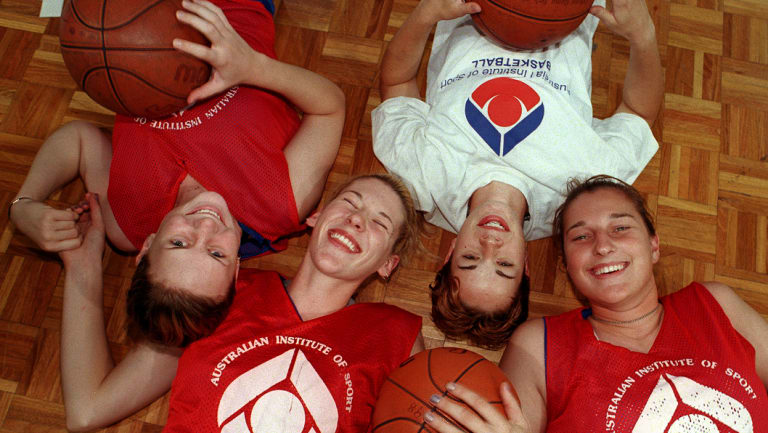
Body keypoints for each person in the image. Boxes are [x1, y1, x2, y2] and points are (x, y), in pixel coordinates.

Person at [9, 0, 344, 344]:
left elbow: (79, 140)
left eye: (179, 242)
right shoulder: (279, 203)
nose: (206, 227)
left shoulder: (127, 223)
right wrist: (253, 67)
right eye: (217, 253)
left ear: (147, 248)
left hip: (123, 20)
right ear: (236, 270)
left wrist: (24, 205)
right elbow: (330, 107)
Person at [372, 0, 663, 348]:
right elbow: (638, 114)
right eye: (504, 264)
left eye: (469, 259)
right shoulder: (580, 195)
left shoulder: (422, 178)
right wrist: (643, 34)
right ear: (525, 265)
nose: (489, 243)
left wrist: (426, 15)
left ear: (449, 254)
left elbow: (397, 82)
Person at [58, 173, 426, 432]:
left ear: (387, 265)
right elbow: (87, 409)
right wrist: (83, 266)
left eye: (380, 223)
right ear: (316, 217)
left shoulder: (397, 335)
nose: (357, 220)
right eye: (348, 202)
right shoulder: (221, 290)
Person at [425, 175, 768, 432]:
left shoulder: (715, 303)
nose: (602, 246)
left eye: (620, 227)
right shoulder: (541, 346)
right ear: (567, 265)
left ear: (654, 245)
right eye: (581, 236)